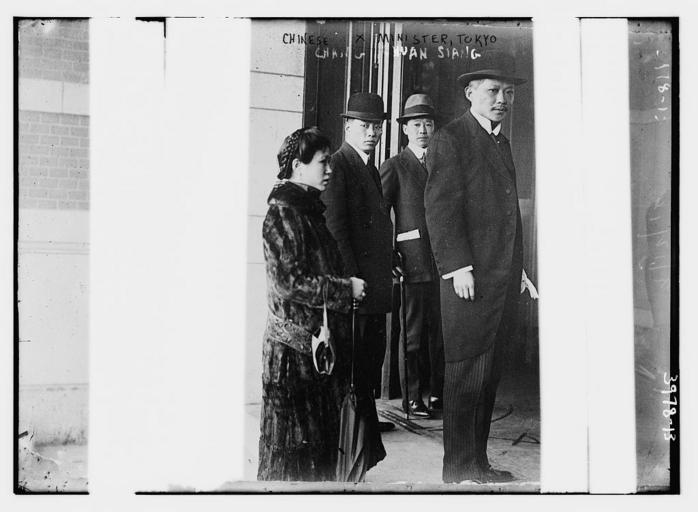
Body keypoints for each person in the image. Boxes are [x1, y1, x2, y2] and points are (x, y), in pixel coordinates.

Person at [424, 55, 536, 484]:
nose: (502, 99)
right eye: (493, 91)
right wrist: (458, 267)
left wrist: (519, 270)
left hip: (500, 280)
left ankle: (478, 465)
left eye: (509, 92)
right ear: (470, 93)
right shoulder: (451, 138)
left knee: (486, 378)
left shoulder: (499, 142)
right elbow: (441, 209)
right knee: (466, 376)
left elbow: (507, 218)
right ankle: (458, 472)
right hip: (468, 283)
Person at [257, 127, 369, 481]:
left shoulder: (306, 211)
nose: (330, 169)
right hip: (292, 361)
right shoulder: (283, 214)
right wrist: (344, 289)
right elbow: (289, 283)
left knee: (315, 460)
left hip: (314, 358)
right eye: (323, 162)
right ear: (297, 166)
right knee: (292, 465)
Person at [321, 92, 396, 434]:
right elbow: (336, 231)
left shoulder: (369, 168)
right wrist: (350, 280)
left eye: (376, 126)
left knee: (370, 357)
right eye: (364, 125)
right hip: (358, 288)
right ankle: (352, 428)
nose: (372, 133)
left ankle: (364, 422)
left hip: (374, 285)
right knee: (356, 361)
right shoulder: (339, 165)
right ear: (348, 126)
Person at [379, 94, 445, 418]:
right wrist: (390, 254)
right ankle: (412, 398)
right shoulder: (395, 166)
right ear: (405, 129)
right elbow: (379, 215)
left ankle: (437, 394)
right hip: (412, 261)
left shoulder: (443, 164)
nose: (423, 130)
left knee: (440, 334)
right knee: (413, 334)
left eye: (428, 124)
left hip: (443, 263)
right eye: (416, 124)